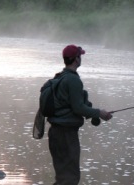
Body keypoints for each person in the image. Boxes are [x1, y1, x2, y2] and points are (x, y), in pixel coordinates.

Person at [47, 44, 112, 185]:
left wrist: (94, 113)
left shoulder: (60, 77)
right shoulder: (73, 80)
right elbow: (78, 108)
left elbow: (77, 104)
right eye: (79, 56)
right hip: (66, 135)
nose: (80, 58)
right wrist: (100, 113)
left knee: (62, 178)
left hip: (55, 133)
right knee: (70, 178)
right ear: (76, 59)